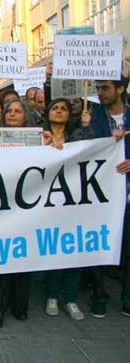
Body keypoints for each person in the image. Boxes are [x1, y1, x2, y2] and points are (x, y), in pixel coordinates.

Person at [41, 98, 93, 321]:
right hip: (47, 202)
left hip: (75, 201)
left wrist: (88, 126)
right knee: (53, 248)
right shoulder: (38, 136)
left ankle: (70, 298)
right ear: (48, 113)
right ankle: (52, 296)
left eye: (64, 109)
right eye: (55, 108)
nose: (60, 111)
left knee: (74, 249)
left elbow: (97, 150)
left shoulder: (79, 136)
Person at [0, 99, 35, 328]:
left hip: (27, 207)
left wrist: (52, 144)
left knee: (23, 257)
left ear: (25, 117)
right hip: (0, 207)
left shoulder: (38, 141)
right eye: (9, 111)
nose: (13, 114)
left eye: (18, 111)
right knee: (1, 258)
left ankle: (20, 306)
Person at [89, 76, 130, 319]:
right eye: (98, 88)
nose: (100, 93)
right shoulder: (92, 119)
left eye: (105, 88)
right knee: (97, 247)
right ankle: (98, 296)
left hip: (126, 195)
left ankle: (127, 298)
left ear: (121, 89)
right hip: (99, 195)